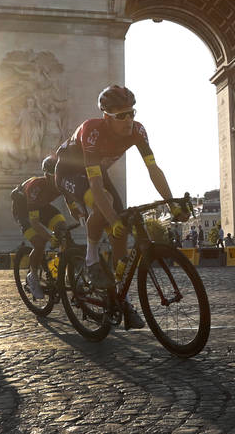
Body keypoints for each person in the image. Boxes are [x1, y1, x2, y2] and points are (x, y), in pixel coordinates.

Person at [54, 85, 175, 330]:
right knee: (107, 206)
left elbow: (153, 169)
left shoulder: (138, 130)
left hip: (97, 172)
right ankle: (91, 258)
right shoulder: (92, 131)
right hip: (70, 171)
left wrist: (173, 203)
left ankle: (122, 299)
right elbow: (96, 187)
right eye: (122, 116)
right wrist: (112, 217)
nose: (129, 119)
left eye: (132, 113)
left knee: (121, 233)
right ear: (106, 117)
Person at [10, 153, 82, 300]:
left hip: (41, 206)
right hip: (23, 210)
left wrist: (83, 219)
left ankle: (65, 272)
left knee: (62, 227)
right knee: (40, 242)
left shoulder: (61, 184)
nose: (58, 180)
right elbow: (35, 223)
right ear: (47, 176)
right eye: (55, 176)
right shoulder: (35, 187)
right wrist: (50, 238)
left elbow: (73, 208)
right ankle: (33, 277)